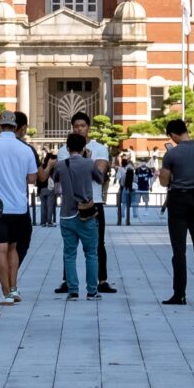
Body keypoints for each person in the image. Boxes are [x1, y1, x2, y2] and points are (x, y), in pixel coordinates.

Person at [0, 111, 41, 304]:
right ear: (15, 127)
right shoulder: (26, 150)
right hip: (19, 207)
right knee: (13, 249)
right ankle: (14, 289)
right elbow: (32, 179)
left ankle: (5, 293)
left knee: (0, 250)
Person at [157, 119, 194, 305]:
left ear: (173, 135)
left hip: (178, 200)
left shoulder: (172, 154)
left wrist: (168, 175)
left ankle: (179, 294)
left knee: (179, 250)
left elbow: (164, 182)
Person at [65, 110, 117, 296]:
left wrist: (82, 160)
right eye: (76, 126)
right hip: (70, 204)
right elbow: (65, 174)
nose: (79, 129)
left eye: (83, 126)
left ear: (89, 128)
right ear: (72, 128)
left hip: (94, 201)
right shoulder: (64, 149)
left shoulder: (99, 148)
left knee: (98, 243)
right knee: (69, 246)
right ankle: (67, 281)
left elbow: (99, 174)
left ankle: (102, 280)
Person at [50, 132, 104, 301]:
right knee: (91, 253)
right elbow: (100, 179)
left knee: (69, 254)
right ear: (83, 148)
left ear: (67, 147)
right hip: (86, 214)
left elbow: (55, 179)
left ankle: (73, 290)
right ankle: (92, 291)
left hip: (66, 214)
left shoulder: (60, 164)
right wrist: (89, 158)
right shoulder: (89, 163)